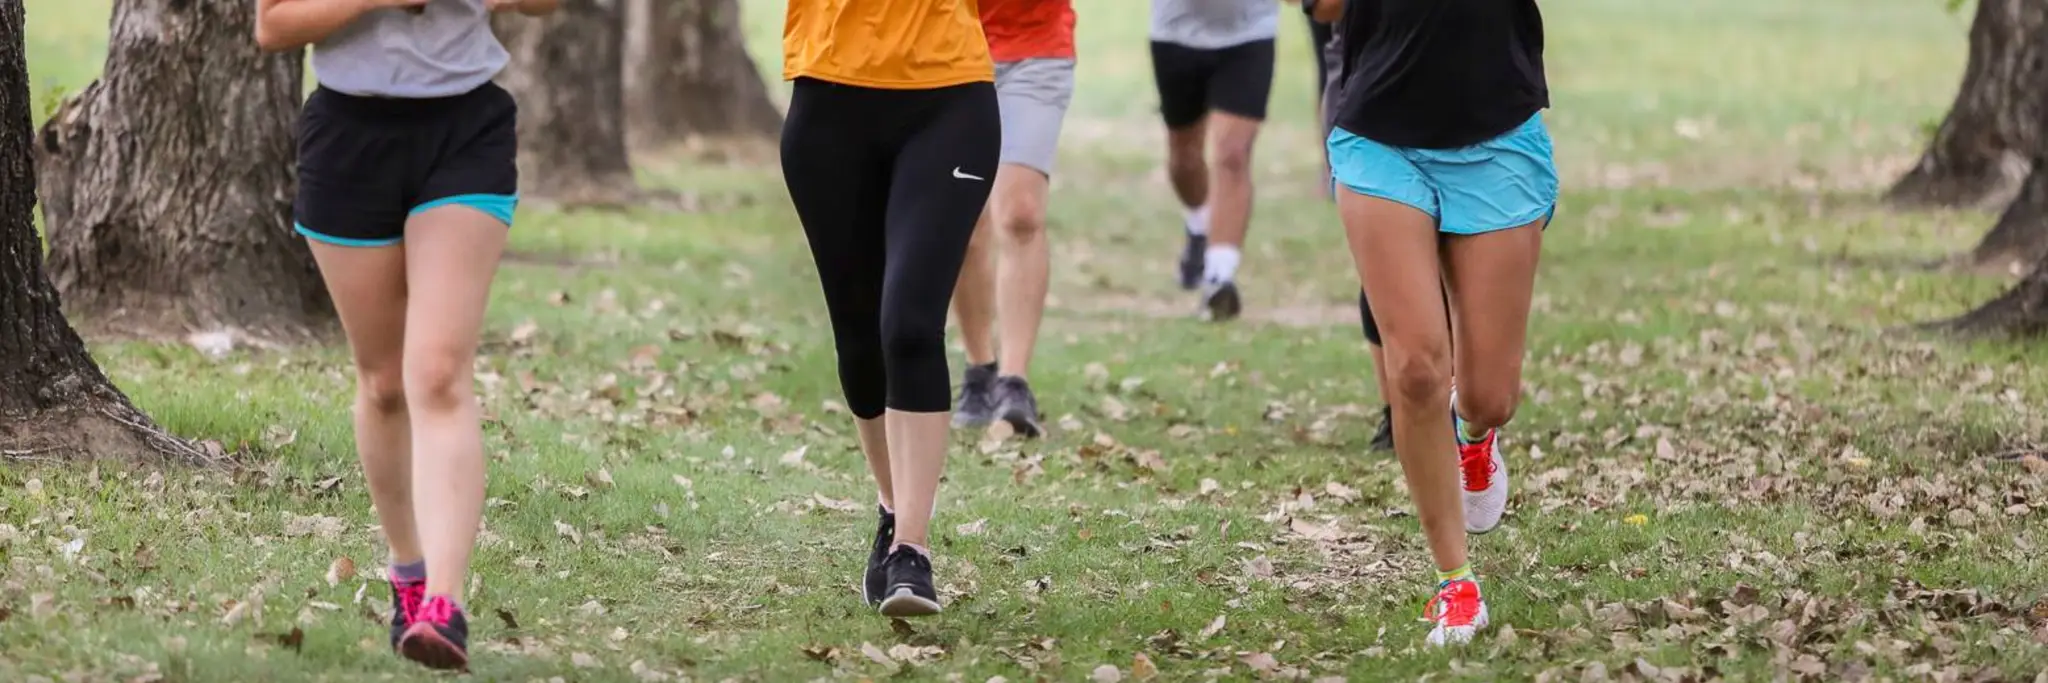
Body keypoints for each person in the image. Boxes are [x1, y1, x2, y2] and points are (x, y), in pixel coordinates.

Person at [254, 0, 557, 670]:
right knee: (385, 383)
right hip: (348, 138)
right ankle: (408, 570)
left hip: (465, 131)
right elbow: (272, 25)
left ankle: (445, 607)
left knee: (439, 372)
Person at [1325, 0, 1553, 645]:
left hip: (1499, 131)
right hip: (1378, 134)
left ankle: (1474, 433)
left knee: (1490, 396)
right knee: (1418, 368)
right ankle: (1455, 582)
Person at [780, 0, 1000, 617]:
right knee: (860, 335)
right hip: (828, 97)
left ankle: (912, 550)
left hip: (949, 95)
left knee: (908, 326)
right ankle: (890, 505)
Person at [949, 0, 1078, 438]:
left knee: (1020, 213)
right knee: (963, 222)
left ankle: (1014, 381)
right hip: (948, 52)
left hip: (1036, 50)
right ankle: (979, 368)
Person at [1150, 0, 1278, 321]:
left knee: (1232, 154)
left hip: (1251, 34)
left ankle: (1219, 277)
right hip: (1176, 34)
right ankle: (1198, 223)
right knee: (1184, 157)